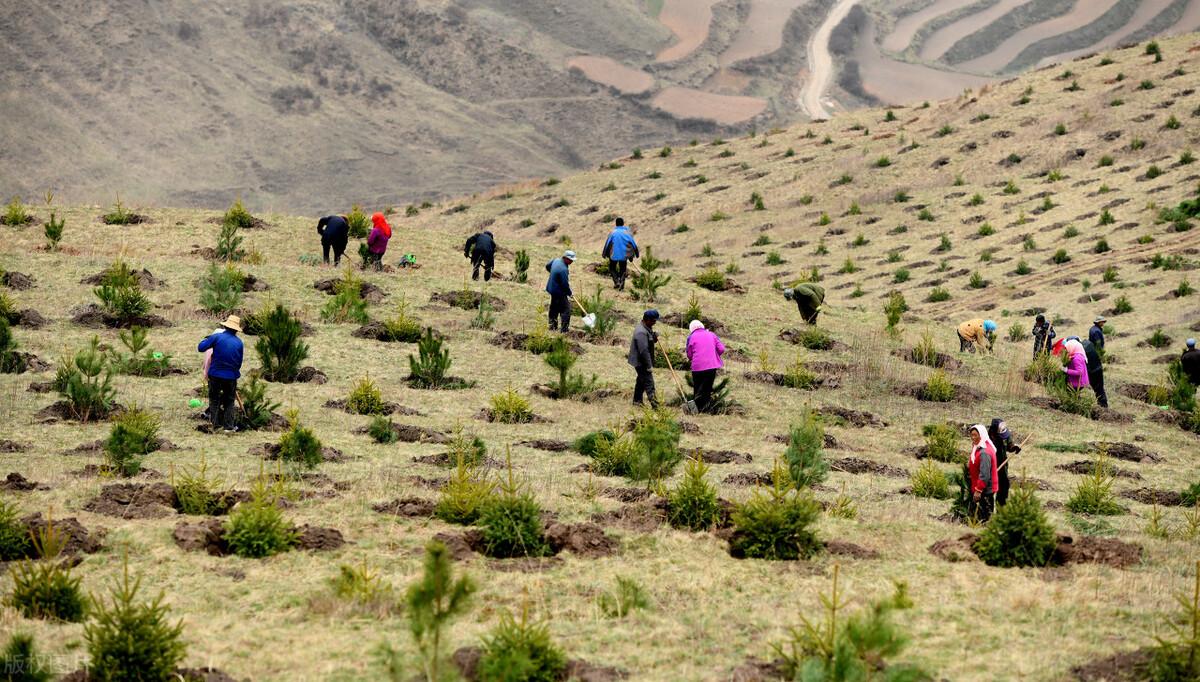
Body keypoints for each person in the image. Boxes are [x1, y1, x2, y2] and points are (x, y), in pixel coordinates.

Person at [197, 315, 244, 433]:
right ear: (236, 329)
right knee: (229, 401)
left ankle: (216, 425)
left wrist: (207, 339)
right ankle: (229, 427)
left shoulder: (216, 337)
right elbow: (239, 362)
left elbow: (201, 348)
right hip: (231, 376)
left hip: (216, 375)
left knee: (214, 399)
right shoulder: (239, 343)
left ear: (225, 326)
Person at [685, 320, 725, 413]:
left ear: (691, 329)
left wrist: (694, 358)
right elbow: (721, 349)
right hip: (711, 366)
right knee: (707, 388)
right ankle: (706, 409)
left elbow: (689, 354)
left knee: (697, 387)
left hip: (697, 367)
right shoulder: (712, 335)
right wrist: (714, 355)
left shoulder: (691, 337)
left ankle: (696, 409)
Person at [628, 309, 659, 407]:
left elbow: (648, 341)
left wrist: (653, 337)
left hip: (642, 361)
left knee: (641, 381)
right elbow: (643, 351)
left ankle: (637, 402)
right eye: (654, 320)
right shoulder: (641, 332)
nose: (655, 322)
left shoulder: (646, 328)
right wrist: (649, 365)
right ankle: (656, 407)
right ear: (648, 320)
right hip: (641, 362)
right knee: (649, 383)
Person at [987, 419, 1021, 507]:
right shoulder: (987, 438)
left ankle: (1001, 513)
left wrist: (1014, 448)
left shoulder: (1004, 432)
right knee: (989, 492)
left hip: (1002, 466)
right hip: (990, 467)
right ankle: (987, 514)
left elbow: (1010, 445)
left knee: (1004, 488)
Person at [967, 424, 998, 522]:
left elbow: (984, 474)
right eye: (972, 435)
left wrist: (978, 490)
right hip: (980, 487)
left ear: (982, 434)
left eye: (976, 435)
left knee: (984, 517)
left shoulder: (984, 452)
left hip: (985, 490)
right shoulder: (979, 446)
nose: (973, 438)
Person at [601, 217, 639, 291]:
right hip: (624, 255)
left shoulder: (613, 232)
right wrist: (636, 253)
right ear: (623, 224)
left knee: (612, 268)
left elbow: (607, 243)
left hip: (614, 255)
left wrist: (604, 254)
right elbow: (633, 244)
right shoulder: (627, 233)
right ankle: (621, 282)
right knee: (623, 269)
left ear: (616, 224)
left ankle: (616, 282)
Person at [544, 250, 575, 332]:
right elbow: (565, 284)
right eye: (570, 259)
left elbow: (547, 266)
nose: (572, 261)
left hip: (552, 289)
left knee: (554, 308)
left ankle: (552, 327)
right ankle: (564, 329)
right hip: (558, 292)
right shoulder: (563, 270)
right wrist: (570, 293)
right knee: (566, 310)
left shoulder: (555, 260)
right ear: (565, 258)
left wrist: (553, 273)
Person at [1080, 337, 1108, 408]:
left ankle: (1103, 406)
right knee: (1099, 389)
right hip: (1098, 368)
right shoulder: (1088, 345)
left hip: (1092, 371)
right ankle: (1103, 405)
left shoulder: (1081, 351)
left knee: (1079, 386)